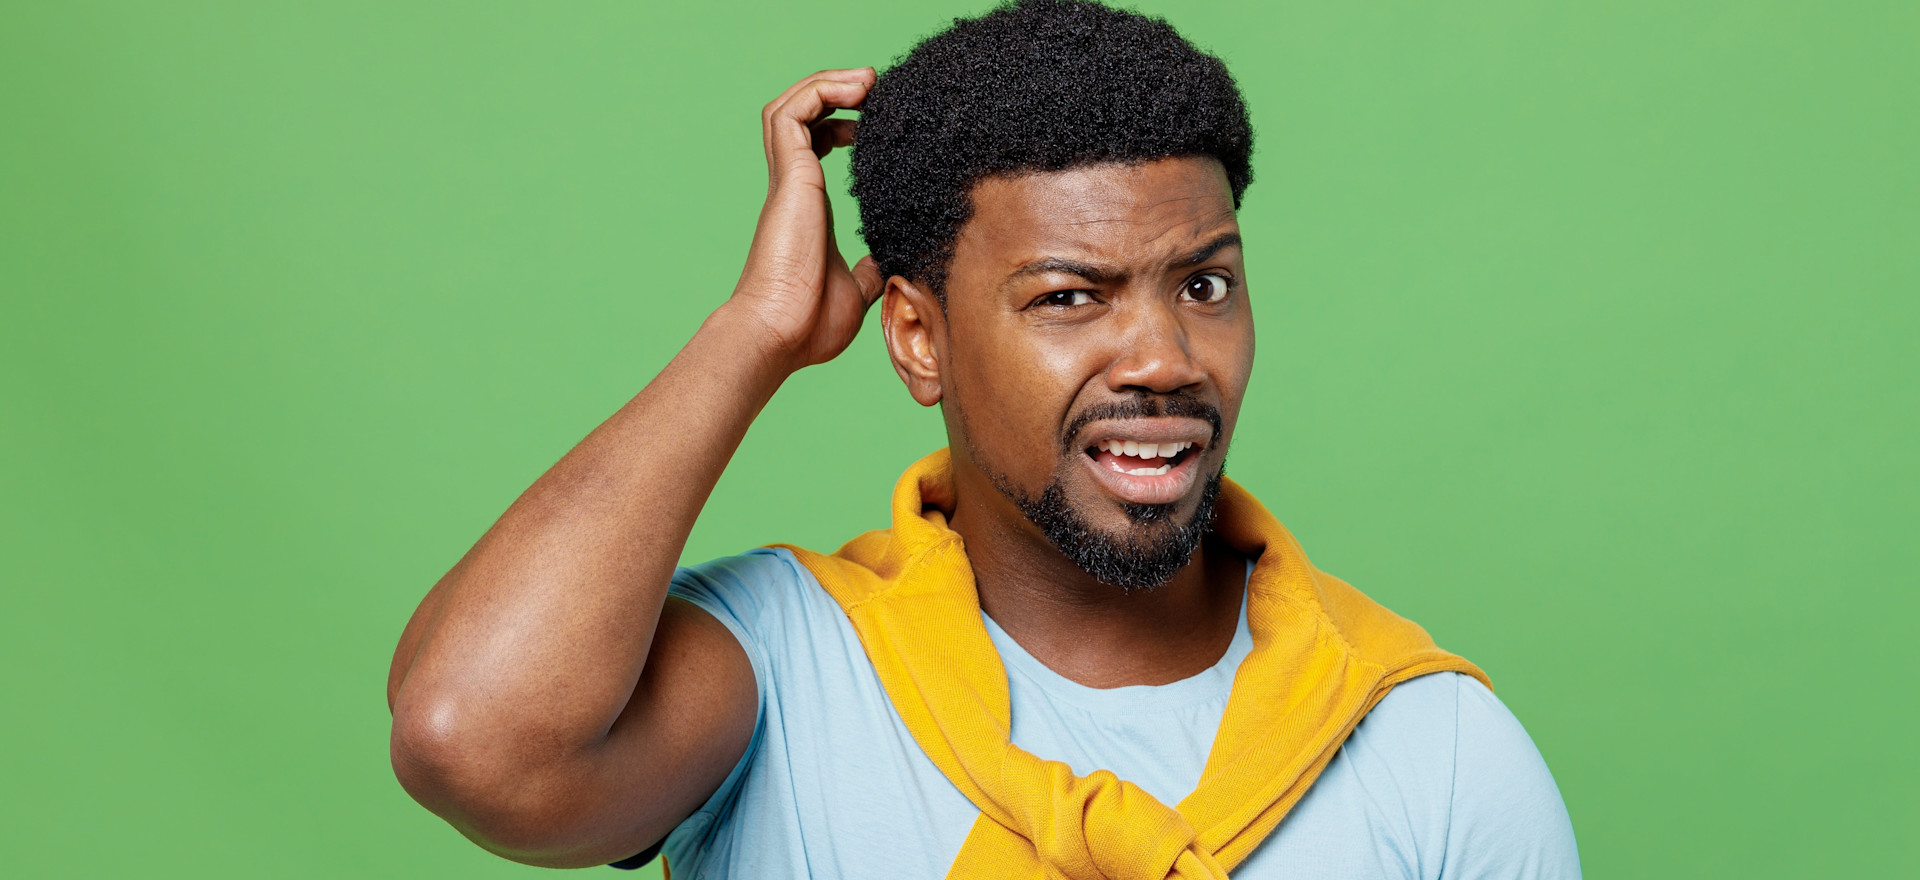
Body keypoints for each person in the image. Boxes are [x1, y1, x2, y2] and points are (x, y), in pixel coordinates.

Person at [385, 1, 1581, 877]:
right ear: (916, 336)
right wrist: (752, 335)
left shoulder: (1431, 743)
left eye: (1205, 286)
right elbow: (471, 738)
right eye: (1069, 296)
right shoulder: (791, 671)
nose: (1164, 357)